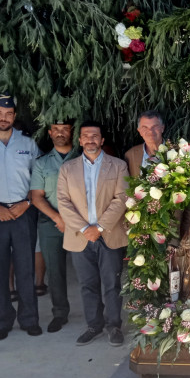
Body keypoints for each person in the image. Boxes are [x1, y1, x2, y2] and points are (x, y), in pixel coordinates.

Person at [0, 93, 42, 340]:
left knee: (26, 269)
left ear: (14, 116)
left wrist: (26, 203)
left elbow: (38, 179)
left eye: (8, 114)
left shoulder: (28, 144)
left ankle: (29, 319)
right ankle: (1, 321)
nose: (3, 118)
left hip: (23, 212)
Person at [57, 121, 129, 347]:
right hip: (79, 238)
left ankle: (114, 326)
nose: (90, 140)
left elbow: (122, 199)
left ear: (102, 140)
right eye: (86, 136)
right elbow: (63, 202)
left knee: (112, 283)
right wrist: (84, 228)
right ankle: (93, 325)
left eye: (95, 136)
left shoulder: (117, 166)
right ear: (79, 140)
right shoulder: (67, 169)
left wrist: (97, 228)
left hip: (108, 234)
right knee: (87, 284)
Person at [29, 119, 79, 333]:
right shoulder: (41, 162)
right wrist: (58, 218)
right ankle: (60, 313)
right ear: (50, 133)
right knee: (55, 271)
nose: (60, 133)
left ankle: (97, 314)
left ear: (71, 132)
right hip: (51, 223)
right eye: (56, 129)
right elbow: (37, 196)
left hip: (81, 224)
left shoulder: (82, 156)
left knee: (88, 271)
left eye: (65, 129)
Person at [124, 110, 165, 178]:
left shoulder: (177, 152)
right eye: (145, 127)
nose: (150, 131)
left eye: (155, 126)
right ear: (139, 131)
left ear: (162, 128)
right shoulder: (130, 155)